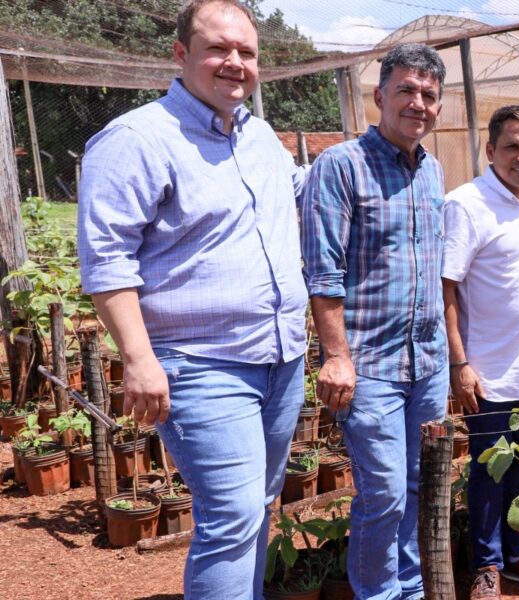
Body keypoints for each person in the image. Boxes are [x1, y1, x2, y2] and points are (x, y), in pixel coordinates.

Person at [77, 1, 308, 597]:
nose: (235, 63)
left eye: (247, 52)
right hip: (200, 364)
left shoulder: (260, 139)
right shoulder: (136, 140)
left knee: (255, 506)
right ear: (181, 55)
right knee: (231, 518)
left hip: (280, 359)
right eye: (218, 49)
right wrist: (138, 357)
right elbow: (107, 261)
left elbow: (296, 202)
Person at [300, 43, 447, 600]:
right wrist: (337, 356)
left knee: (416, 485)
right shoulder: (341, 166)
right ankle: (378, 594)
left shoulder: (432, 171)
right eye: (406, 90)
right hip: (370, 365)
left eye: (429, 95)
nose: (418, 103)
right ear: (379, 95)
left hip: (426, 362)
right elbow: (323, 273)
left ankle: (408, 589)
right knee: (382, 492)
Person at [441, 105, 519, 599]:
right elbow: (447, 288)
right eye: (513, 146)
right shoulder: (466, 204)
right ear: (490, 150)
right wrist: (460, 363)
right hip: (490, 370)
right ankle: (486, 564)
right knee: (488, 469)